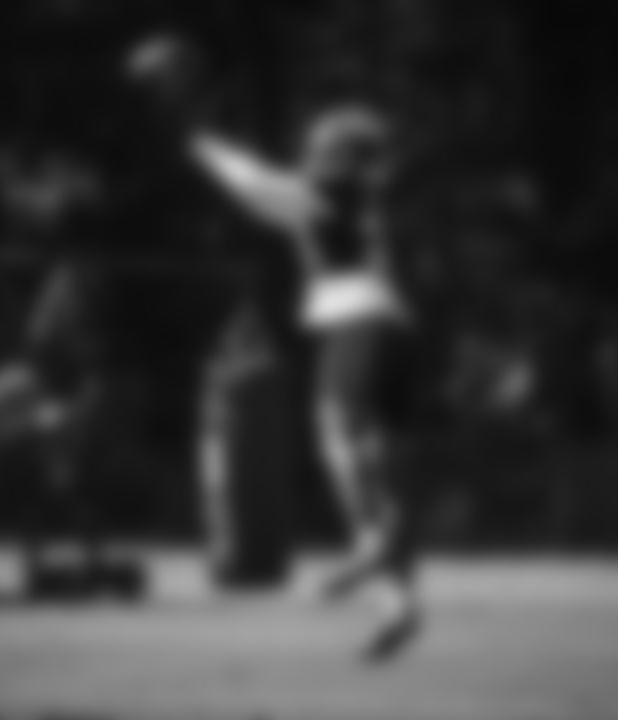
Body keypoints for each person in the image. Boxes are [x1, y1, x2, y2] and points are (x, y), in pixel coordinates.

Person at [128, 35, 424, 662]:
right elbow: (280, 196)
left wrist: (200, 140)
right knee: (373, 463)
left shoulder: (329, 189)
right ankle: (397, 599)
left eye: (322, 143)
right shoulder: (362, 192)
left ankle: (376, 547)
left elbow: (256, 187)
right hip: (391, 322)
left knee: (334, 433)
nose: (311, 150)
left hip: (354, 311)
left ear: (340, 153)